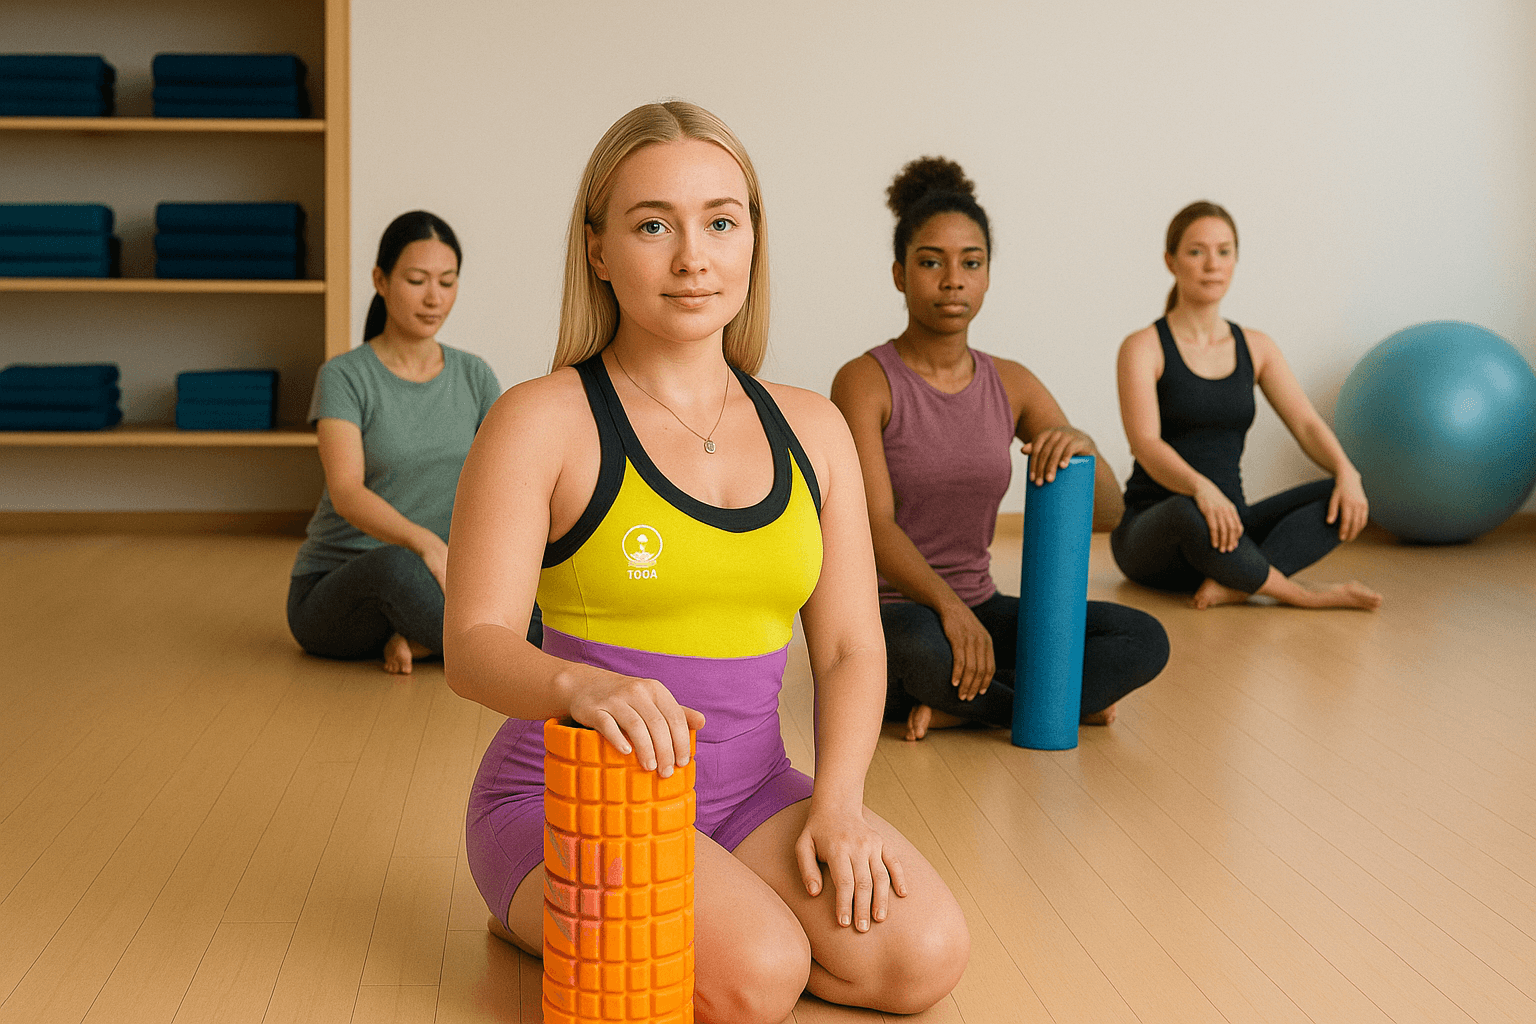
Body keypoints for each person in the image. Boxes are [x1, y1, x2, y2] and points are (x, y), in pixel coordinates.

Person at [445, 103, 969, 1022]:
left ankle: (709, 896)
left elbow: (849, 646)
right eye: (654, 225)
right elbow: (475, 642)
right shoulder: (541, 420)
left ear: (753, 240)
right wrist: (580, 687)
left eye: (721, 222)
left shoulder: (813, 428)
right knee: (759, 976)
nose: (694, 258)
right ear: (599, 248)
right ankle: (535, 904)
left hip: (752, 790)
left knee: (921, 958)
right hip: (571, 795)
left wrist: (838, 805)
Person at [831, 157, 1168, 743]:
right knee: (918, 649)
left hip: (980, 605)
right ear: (899, 273)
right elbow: (873, 526)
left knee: (1143, 638)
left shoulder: (1013, 383)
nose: (952, 279)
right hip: (894, 613)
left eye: (971, 263)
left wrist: (1083, 448)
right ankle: (1045, 700)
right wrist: (950, 611)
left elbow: (1109, 516)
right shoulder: (865, 381)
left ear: (988, 275)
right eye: (931, 262)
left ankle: (967, 706)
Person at [287, 211, 528, 675]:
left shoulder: (474, 375)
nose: (434, 298)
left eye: (447, 281)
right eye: (417, 280)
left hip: (444, 580)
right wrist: (425, 544)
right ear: (381, 280)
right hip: (336, 590)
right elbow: (347, 492)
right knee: (395, 568)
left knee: (545, 584)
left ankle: (423, 641)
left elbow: (503, 484)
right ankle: (481, 645)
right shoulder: (344, 377)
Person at [1112, 201, 1383, 610]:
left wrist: (1347, 471)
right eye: (1196, 251)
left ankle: (1236, 582)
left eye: (1224, 251)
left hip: (1231, 527)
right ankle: (1295, 593)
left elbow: (1306, 424)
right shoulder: (1143, 347)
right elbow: (1146, 444)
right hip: (1158, 531)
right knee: (1186, 511)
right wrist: (1202, 488)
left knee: (1341, 493)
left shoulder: (1256, 347)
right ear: (1171, 261)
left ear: (1236, 260)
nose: (1212, 264)